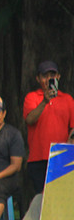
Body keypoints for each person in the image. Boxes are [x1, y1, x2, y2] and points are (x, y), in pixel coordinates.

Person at [23, 60, 74, 195]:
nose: (49, 79)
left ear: (58, 77)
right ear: (38, 79)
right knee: (42, 197)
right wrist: (45, 101)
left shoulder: (68, 99)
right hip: (38, 158)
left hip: (61, 157)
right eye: (45, 75)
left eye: (52, 75)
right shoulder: (32, 97)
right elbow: (29, 119)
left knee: (60, 197)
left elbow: (73, 127)